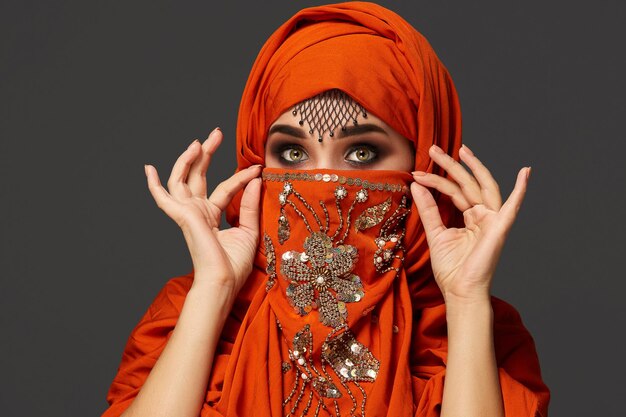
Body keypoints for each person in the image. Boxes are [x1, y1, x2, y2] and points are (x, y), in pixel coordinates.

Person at [102, 2, 550, 416]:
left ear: (423, 162)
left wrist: (467, 300)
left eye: (362, 154)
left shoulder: (477, 334)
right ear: (257, 162)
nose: (323, 181)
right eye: (292, 155)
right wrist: (214, 290)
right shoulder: (187, 312)